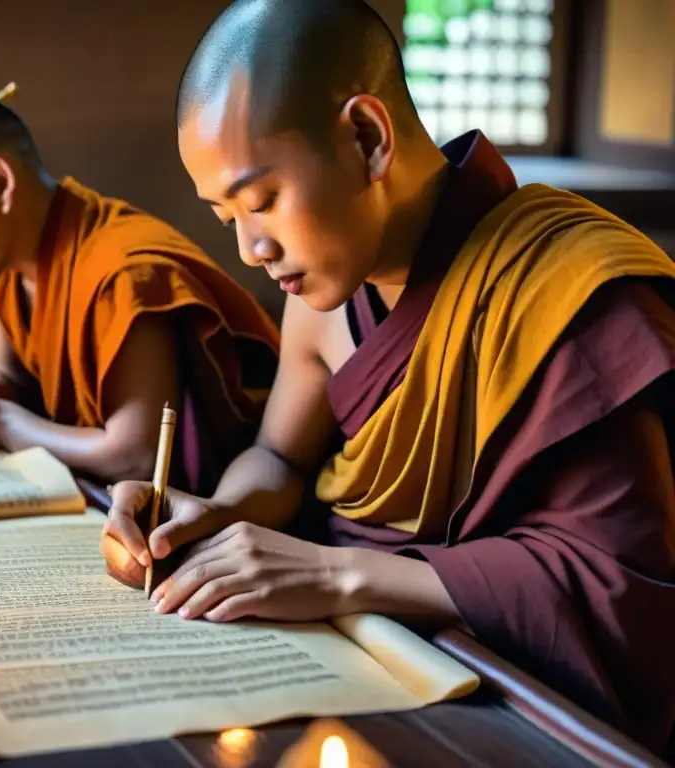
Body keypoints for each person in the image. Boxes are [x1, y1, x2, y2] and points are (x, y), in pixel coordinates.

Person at [100, 0, 675, 753]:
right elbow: (280, 457)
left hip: (499, 695)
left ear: (366, 138)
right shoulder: (329, 287)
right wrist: (210, 514)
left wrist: (341, 576)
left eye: (262, 200)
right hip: (343, 654)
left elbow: (618, 591)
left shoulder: (568, 287)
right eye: (225, 217)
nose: (250, 249)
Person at [0, 93, 280, 492]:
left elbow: (134, 456)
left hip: (201, 511)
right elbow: (11, 380)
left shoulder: (124, 274)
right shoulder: (8, 262)